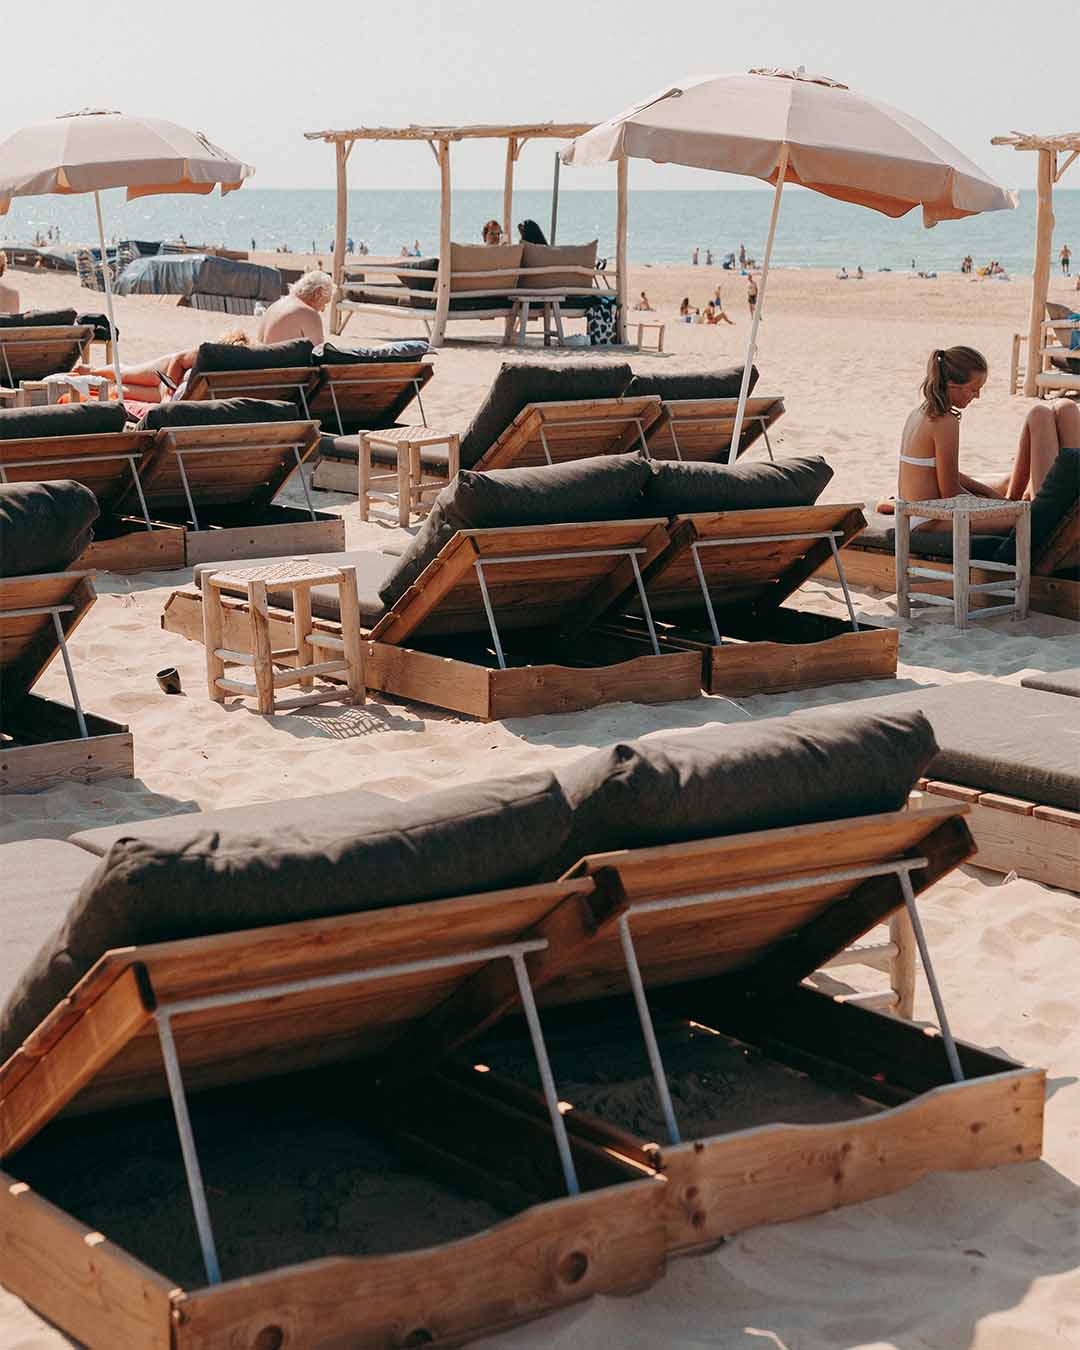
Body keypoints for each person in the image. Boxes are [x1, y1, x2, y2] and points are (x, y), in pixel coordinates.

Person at [890, 346, 1080, 530]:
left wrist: (990, 494)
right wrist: (996, 506)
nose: (977, 396)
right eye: (973, 390)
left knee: (1048, 411)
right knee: (1030, 519)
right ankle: (1049, 508)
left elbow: (943, 474)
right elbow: (950, 493)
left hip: (923, 513)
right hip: (930, 518)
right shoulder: (945, 422)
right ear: (952, 385)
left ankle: (1040, 500)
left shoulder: (920, 413)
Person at [77, 328, 251, 403]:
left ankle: (94, 386)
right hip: (166, 373)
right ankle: (93, 371)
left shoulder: (233, 369)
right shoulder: (210, 354)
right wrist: (168, 393)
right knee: (125, 374)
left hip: (175, 390)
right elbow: (178, 359)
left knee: (120, 391)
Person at [257, 270, 333, 344]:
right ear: (317, 293)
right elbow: (318, 350)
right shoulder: (308, 314)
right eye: (325, 302)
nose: (323, 309)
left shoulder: (274, 306)